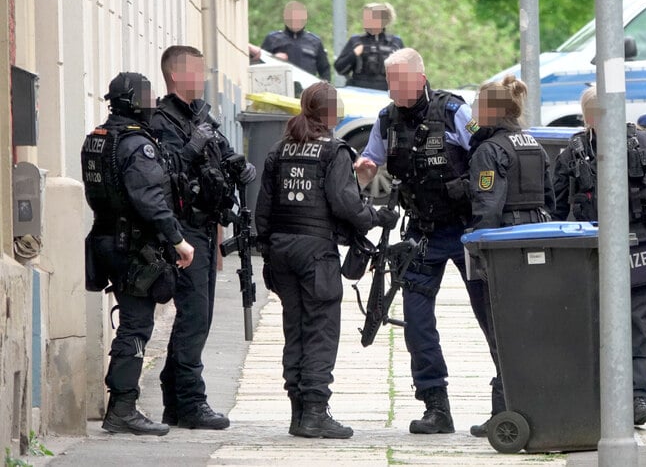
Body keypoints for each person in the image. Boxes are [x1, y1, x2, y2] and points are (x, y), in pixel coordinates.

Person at [353, 48, 493, 435]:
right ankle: (436, 406)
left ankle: (507, 402)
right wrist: (365, 173)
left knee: (491, 316)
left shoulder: (453, 112)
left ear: (420, 77)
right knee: (416, 320)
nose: (393, 88)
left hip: (466, 230)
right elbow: (372, 168)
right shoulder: (387, 120)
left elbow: (488, 157)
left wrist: (474, 198)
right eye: (388, 81)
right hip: (421, 233)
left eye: (399, 80)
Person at [254, 81, 400, 439]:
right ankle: (315, 412)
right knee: (320, 329)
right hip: (316, 253)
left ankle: (298, 412)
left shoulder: (280, 149)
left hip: (281, 251)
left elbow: (263, 207)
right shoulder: (334, 151)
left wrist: (269, 249)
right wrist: (377, 217)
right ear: (332, 114)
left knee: (295, 328)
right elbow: (344, 203)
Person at [552, 86, 646, 426]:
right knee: (596, 324)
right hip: (592, 250)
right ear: (589, 119)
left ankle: (637, 399)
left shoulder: (641, 143)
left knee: (637, 323)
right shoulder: (573, 153)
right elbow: (554, 205)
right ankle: (602, 397)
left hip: (639, 247)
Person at [82, 72, 195, 436]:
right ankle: (123, 408)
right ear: (131, 102)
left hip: (105, 239)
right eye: (145, 98)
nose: (151, 105)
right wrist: (178, 240)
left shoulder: (97, 138)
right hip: (131, 245)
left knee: (132, 322)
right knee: (136, 325)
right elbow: (149, 199)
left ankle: (122, 405)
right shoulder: (136, 144)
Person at [151, 45, 256, 430]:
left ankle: (175, 402)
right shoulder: (162, 121)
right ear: (177, 75)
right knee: (194, 319)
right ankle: (190, 402)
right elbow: (164, 173)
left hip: (207, 226)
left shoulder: (200, 114)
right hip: (184, 230)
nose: (204, 78)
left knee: (200, 317)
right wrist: (192, 147)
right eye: (198, 71)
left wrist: (239, 165)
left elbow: (222, 155)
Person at [466, 75, 555, 437]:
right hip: (537, 237)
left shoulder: (490, 149)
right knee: (531, 328)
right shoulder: (533, 142)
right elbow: (551, 199)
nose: (472, 112)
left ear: (490, 110)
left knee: (500, 330)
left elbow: (488, 206)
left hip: (504, 246)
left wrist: (477, 248)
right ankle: (536, 402)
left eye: (476, 106)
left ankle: (504, 409)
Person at [333, 2, 404, 91]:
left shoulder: (395, 43)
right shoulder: (356, 41)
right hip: (358, 92)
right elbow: (339, 69)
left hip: (386, 94)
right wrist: (354, 54)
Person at [261, 0, 331, 80]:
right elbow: (259, 67)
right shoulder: (272, 39)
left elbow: (325, 71)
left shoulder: (315, 42)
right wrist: (273, 59)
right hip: (279, 88)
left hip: (306, 89)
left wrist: (323, 90)